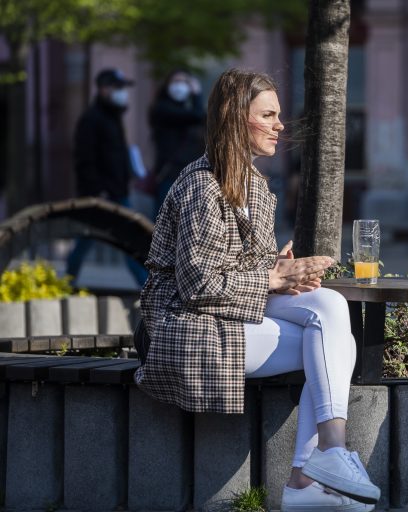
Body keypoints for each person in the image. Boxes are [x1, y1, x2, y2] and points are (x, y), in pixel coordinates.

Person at [133, 68, 380, 512]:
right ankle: (310, 475)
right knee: (332, 341)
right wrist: (273, 278)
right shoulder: (201, 185)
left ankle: (324, 462)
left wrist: (277, 266)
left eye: (279, 115)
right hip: (185, 327)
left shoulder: (257, 188)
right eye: (268, 115)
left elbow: (242, 269)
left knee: (331, 311)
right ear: (235, 117)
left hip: (229, 314)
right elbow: (198, 284)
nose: (280, 125)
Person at [68, 68, 148, 287]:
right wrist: (97, 192)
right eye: (118, 88)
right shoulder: (92, 119)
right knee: (96, 240)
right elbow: (85, 159)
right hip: (101, 195)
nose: (123, 93)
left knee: (127, 242)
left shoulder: (113, 117)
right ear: (104, 89)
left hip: (117, 192)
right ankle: (67, 282)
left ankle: (146, 286)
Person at [148, 69, 206, 217]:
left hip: (187, 174)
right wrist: (197, 94)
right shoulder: (163, 108)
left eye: (184, 82)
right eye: (176, 81)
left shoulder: (184, 110)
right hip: (169, 174)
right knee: (163, 224)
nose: (180, 85)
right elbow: (197, 115)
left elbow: (202, 118)